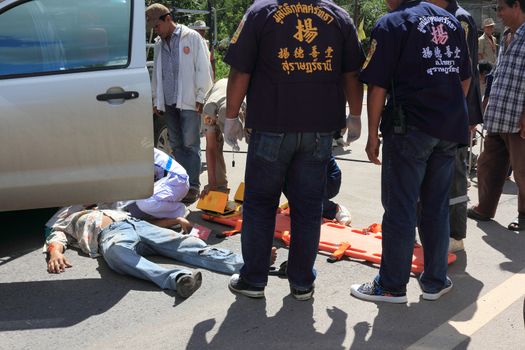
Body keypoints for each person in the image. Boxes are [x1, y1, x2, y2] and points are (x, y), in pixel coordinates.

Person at [223, 0, 364, 300]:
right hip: (318, 132)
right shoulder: (338, 17)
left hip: (271, 127)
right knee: (308, 209)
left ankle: (254, 280)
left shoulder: (261, 12)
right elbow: (352, 74)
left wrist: (231, 115)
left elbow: (240, 71)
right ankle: (302, 283)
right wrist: (355, 115)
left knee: (260, 205)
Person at [351, 0, 471, 303]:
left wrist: (372, 136)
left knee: (401, 208)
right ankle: (435, 280)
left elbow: (377, 87)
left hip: (410, 129)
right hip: (447, 128)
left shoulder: (392, 23)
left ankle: (391, 285)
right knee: (435, 206)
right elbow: (465, 78)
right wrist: (445, 109)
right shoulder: (450, 21)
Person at [45, 206, 243, 298]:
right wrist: (55, 253)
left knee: (187, 245)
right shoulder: (69, 219)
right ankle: (179, 279)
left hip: (138, 225)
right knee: (117, 255)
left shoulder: (110, 207)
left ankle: (245, 263)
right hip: (110, 235)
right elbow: (56, 237)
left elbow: (148, 222)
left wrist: (174, 221)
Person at [425, 0, 483, 253]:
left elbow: (466, 71)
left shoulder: (459, 19)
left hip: (455, 112)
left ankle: (455, 233)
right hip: (431, 112)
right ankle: (432, 230)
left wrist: (467, 116)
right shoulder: (428, 16)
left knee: (456, 176)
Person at [146, 3, 213, 203]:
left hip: (189, 100)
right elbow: (158, 74)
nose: (156, 31)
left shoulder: (191, 37)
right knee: (176, 143)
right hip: (168, 102)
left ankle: (192, 185)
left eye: (157, 26)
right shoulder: (159, 43)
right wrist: (156, 100)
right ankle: (181, 183)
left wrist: (201, 96)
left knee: (191, 143)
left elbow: (203, 68)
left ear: (167, 19)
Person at [467, 0, 525, 232]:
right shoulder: (509, 36)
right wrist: (487, 100)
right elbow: (499, 73)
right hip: (499, 114)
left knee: (522, 172)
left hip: (519, 118)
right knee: (488, 164)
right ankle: (485, 208)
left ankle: (524, 215)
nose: (498, 14)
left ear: (517, 6)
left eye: (502, 8)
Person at [201, 78, 246, 196]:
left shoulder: (249, 105)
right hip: (217, 95)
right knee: (215, 144)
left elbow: (257, 148)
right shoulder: (209, 110)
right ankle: (218, 187)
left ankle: (254, 188)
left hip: (240, 101)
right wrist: (212, 183)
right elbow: (210, 147)